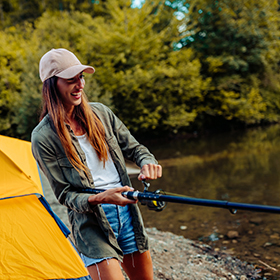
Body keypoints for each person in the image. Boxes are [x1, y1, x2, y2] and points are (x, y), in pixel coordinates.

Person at [31, 48, 162, 280]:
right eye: (71, 80)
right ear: (52, 85)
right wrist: (101, 197)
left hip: (128, 212)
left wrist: (147, 162)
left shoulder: (101, 113)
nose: (80, 85)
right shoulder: (43, 137)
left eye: (81, 77)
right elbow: (65, 196)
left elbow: (136, 149)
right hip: (91, 225)